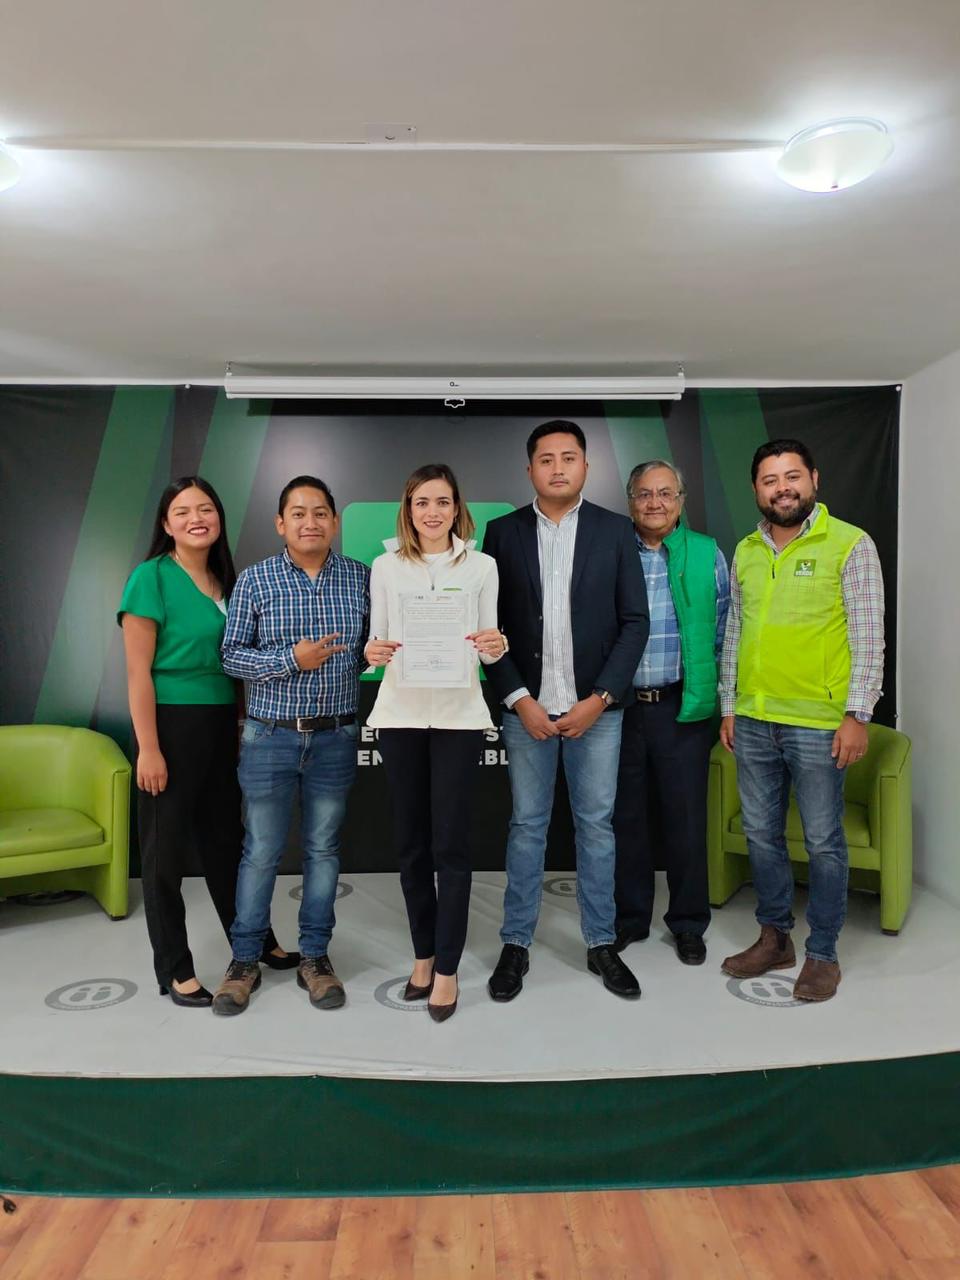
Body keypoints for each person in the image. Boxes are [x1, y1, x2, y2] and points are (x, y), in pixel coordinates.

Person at [482, 420, 650, 1001]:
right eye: (546, 459)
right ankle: (516, 943)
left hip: (595, 712)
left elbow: (635, 623)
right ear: (529, 469)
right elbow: (486, 628)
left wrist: (600, 699)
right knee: (527, 826)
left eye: (569, 457)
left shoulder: (615, 530)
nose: (558, 468)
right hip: (525, 710)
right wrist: (518, 698)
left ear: (585, 467)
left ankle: (601, 941)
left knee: (596, 827)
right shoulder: (502, 533)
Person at [719, 439, 885, 1002]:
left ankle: (823, 954)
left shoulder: (850, 543)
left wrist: (857, 714)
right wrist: (730, 706)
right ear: (756, 489)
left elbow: (868, 636)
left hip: (819, 724)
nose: (782, 488)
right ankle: (775, 938)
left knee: (823, 841)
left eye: (792, 476)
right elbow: (735, 633)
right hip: (754, 719)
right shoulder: (745, 549)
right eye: (770, 480)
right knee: (761, 834)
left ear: (814, 478)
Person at [119, 477, 292, 1009]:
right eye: (183, 511)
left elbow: (237, 662)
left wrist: (238, 725)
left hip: (220, 724)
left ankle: (254, 941)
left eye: (206, 509)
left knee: (227, 844)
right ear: (166, 524)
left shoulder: (227, 580)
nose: (196, 518)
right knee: (164, 855)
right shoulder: (151, 577)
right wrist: (149, 748)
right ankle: (175, 969)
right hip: (169, 726)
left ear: (219, 518)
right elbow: (137, 674)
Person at [212, 475, 370, 1016]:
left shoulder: (361, 578)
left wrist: (377, 653)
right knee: (261, 851)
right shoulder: (255, 581)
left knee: (323, 850)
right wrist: (290, 660)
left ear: (335, 521)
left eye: (320, 512)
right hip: (269, 736)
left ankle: (316, 958)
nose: (310, 522)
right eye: (298, 514)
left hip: (335, 735)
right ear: (280, 524)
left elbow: (369, 649)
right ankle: (244, 960)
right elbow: (231, 655)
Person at [364, 464, 506, 1022]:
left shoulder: (482, 566)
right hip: (399, 715)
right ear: (408, 508)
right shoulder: (385, 566)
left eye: (442, 501)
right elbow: (376, 641)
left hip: (458, 717)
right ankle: (422, 955)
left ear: (456, 508)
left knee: (452, 846)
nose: (432, 512)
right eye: (422, 502)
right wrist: (373, 653)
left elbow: (489, 645)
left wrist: (496, 644)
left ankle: (447, 967)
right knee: (410, 846)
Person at [612, 460, 730, 966]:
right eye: (644, 494)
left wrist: (719, 696)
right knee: (625, 819)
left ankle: (687, 922)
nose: (655, 503)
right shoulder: (612, 549)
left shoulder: (706, 553)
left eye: (666, 493)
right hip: (618, 708)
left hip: (682, 707)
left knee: (685, 822)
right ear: (630, 501)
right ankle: (630, 918)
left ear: (681, 501)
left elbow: (725, 630)